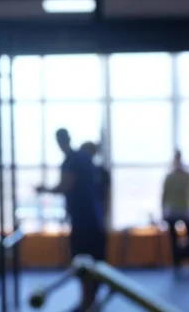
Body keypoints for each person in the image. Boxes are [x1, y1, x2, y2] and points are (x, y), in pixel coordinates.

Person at [36, 129, 105, 312]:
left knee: (83, 264)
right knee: (91, 264)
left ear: (59, 141)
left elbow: (66, 186)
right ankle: (89, 302)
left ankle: (87, 303)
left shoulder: (73, 161)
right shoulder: (85, 160)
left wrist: (45, 190)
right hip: (93, 221)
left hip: (84, 223)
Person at [161, 150, 189, 272]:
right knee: (175, 238)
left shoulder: (185, 176)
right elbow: (164, 195)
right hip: (175, 211)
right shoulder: (172, 177)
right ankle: (178, 262)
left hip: (184, 210)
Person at [80, 141, 111, 230]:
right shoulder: (80, 173)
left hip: (96, 213)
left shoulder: (101, 172)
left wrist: (106, 209)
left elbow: (106, 193)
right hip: (83, 214)